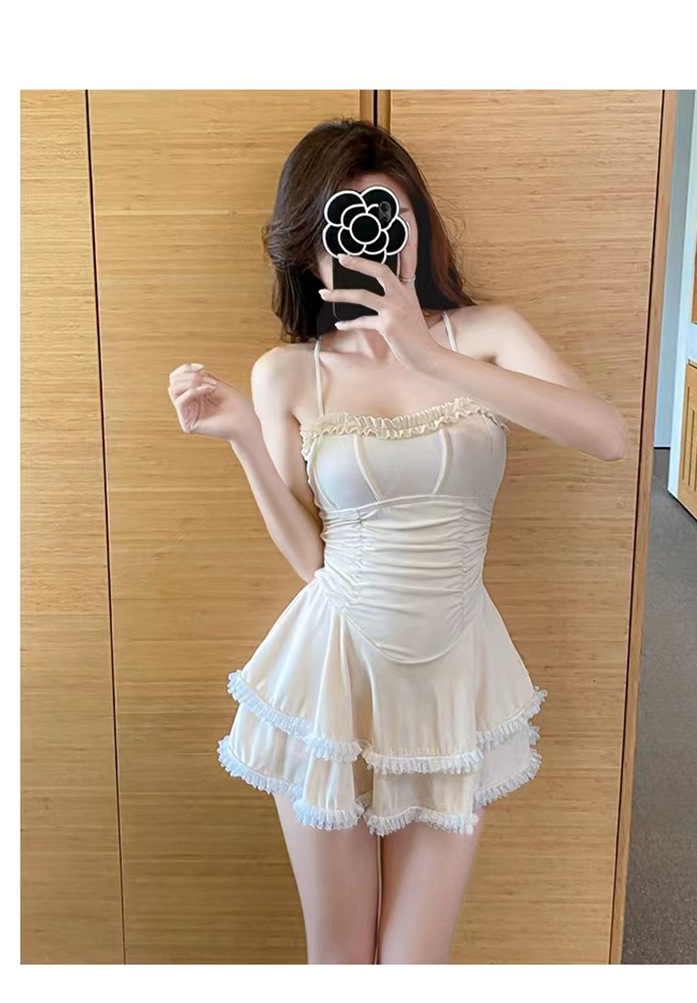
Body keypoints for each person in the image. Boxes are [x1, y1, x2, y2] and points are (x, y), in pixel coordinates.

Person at [167, 118, 628, 964]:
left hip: (455, 679)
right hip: (333, 676)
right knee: (340, 961)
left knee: (415, 965)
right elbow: (312, 559)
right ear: (309, 250)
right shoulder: (289, 372)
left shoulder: (487, 334)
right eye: (343, 223)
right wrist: (241, 436)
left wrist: (427, 351)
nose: (372, 241)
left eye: (390, 216)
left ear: (419, 227)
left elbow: (605, 435)